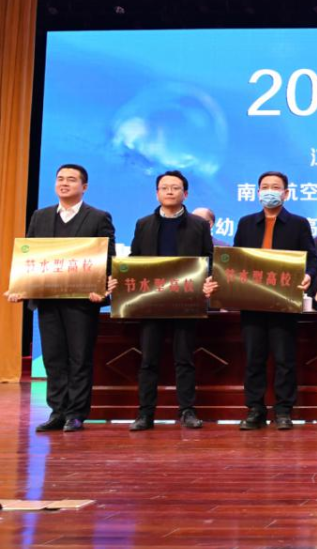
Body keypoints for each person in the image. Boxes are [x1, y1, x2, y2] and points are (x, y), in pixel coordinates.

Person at [5, 164, 115, 432]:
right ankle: (57, 411)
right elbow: (31, 258)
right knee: (53, 359)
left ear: (84, 187)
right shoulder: (40, 216)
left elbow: (108, 259)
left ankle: (76, 414)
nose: (64, 183)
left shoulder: (98, 217)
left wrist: (102, 288)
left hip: (82, 302)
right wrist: (20, 287)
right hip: (48, 300)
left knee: (79, 358)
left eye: (71, 180)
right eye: (60, 179)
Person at [206, 171, 315, 431]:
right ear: (257, 192)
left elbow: (312, 258)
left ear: (286, 193)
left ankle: (284, 410)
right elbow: (235, 260)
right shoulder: (246, 223)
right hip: (252, 301)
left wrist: (309, 275)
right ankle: (255, 409)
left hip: (284, 302)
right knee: (254, 358)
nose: (270, 191)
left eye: (275, 187)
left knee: (284, 358)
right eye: (265, 187)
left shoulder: (298, 224)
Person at [119, 170, 214, 431]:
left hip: (186, 301)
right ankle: (145, 413)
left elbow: (209, 259)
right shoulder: (144, 224)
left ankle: (187, 411)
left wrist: (208, 280)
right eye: (164, 187)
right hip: (152, 301)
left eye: (175, 187)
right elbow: (135, 259)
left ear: (186, 193)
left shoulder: (198, 225)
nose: (169, 191)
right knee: (149, 360)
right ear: (157, 193)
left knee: (184, 358)